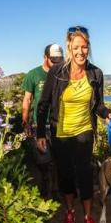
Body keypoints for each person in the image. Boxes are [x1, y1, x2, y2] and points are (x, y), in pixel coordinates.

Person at [36, 26, 111, 223]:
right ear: (69, 48)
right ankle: (70, 211)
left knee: (84, 174)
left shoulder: (96, 73)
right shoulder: (57, 72)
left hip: (84, 131)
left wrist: (107, 113)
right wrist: (41, 134)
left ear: (88, 48)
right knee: (66, 175)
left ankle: (88, 218)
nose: (81, 51)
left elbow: (98, 105)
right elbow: (43, 104)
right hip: (60, 133)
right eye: (77, 47)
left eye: (85, 47)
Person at [21, 43, 63, 198]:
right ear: (45, 57)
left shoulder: (62, 73)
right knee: (43, 160)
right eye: (53, 60)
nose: (56, 63)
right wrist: (25, 122)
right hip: (40, 125)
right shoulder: (34, 74)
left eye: (59, 59)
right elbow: (27, 99)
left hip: (58, 124)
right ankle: (44, 189)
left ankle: (56, 190)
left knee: (59, 160)